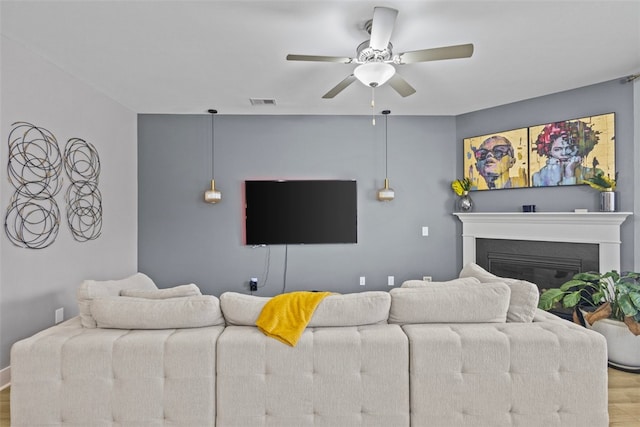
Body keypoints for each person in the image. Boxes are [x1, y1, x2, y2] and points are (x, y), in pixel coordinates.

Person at [531, 120, 601, 187]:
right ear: (548, 150)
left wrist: (569, 172)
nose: (564, 153)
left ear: (579, 148)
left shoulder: (593, 174)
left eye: (570, 148)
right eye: (557, 149)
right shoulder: (538, 177)